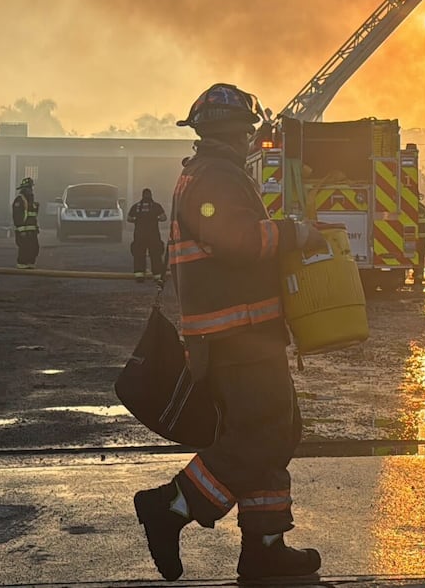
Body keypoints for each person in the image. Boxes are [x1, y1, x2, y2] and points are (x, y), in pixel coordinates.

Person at [133, 84, 327, 584]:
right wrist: (295, 232)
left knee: (274, 433)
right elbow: (238, 239)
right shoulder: (215, 177)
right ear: (239, 130)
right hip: (238, 336)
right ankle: (172, 505)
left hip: (239, 335)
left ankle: (265, 548)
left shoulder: (207, 173)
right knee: (262, 435)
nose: (249, 139)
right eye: (247, 131)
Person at [127, 188, 168, 283]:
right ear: (151, 195)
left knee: (139, 254)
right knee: (156, 254)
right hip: (153, 235)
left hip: (139, 235)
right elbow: (164, 218)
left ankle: (139, 275)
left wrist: (136, 220)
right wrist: (156, 219)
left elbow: (129, 218)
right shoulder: (156, 206)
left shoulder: (136, 206)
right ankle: (157, 276)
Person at [12, 176, 40, 269]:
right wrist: (22, 231)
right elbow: (17, 217)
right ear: (24, 189)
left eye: (31, 187)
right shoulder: (20, 200)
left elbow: (32, 216)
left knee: (34, 248)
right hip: (23, 231)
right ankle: (22, 265)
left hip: (32, 231)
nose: (31, 190)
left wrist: (36, 227)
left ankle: (30, 263)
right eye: (29, 188)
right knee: (24, 249)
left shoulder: (30, 200)